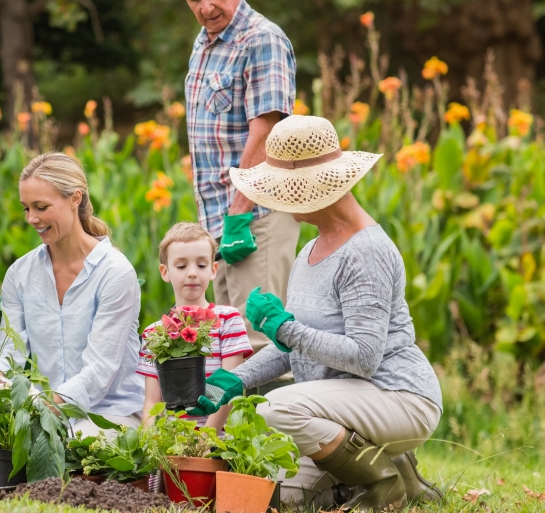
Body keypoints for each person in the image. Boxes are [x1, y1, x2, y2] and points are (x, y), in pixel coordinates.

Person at [189, 115, 444, 511]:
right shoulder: (310, 251)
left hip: (397, 395)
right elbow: (293, 347)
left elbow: (364, 356)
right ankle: (396, 470)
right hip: (344, 407)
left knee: (275, 408)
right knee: (286, 495)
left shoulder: (366, 252)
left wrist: (286, 328)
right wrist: (235, 381)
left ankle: (384, 482)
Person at [172, 0, 300, 350]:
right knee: (231, 344)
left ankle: (284, 417)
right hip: (217, 221)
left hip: (255, 216)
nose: (205, 7)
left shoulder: (261, 39)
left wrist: (239, 215)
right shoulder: (203, 43)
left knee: (260, 339)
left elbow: (266, 129)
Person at [0, 152, 144, 435]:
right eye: (26, 208)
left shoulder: (115, 272)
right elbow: (8, 352)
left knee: (80, 444)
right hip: (46, 411)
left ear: (75, 199)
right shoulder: (20, 273)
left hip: (108, 412)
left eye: (41, 207)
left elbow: (99, 372)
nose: (32, 218)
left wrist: (41, 406)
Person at [137, 222, 252, 430]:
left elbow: (230, 385)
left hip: (221, 439)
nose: (192, 273)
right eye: (181, 266)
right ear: (165, 272)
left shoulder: (227, 319)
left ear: (213, 269)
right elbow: (152, 403)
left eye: (201, 265)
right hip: (174, 439)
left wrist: (207, 437)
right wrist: (149, 444)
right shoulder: (154, 333)